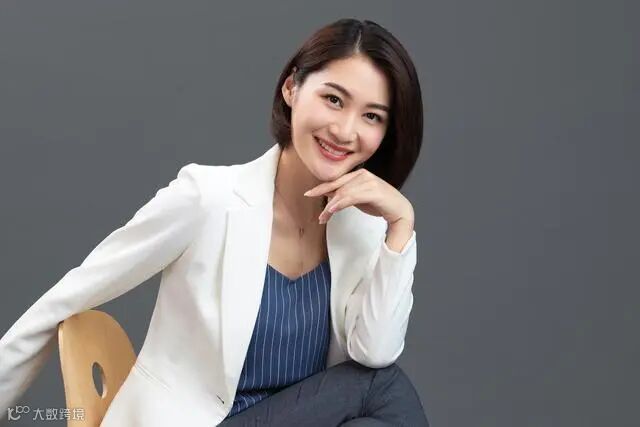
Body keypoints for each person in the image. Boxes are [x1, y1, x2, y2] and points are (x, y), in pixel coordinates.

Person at [0, 18, 428, 426]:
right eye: (333, 99)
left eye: (372, 116)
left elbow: (374, 351)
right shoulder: (208, 199)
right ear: (292, 88)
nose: (346, 130)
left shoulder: (363, 230)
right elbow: (67, 299)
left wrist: (400, 224)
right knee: (382, 387)